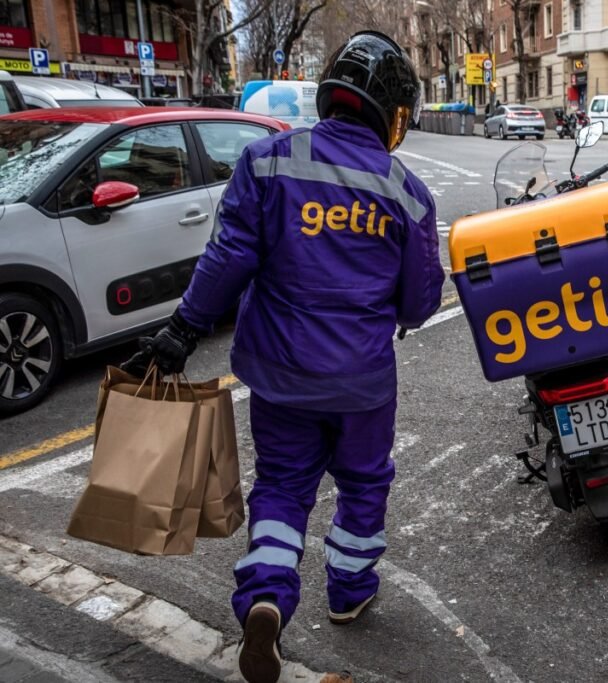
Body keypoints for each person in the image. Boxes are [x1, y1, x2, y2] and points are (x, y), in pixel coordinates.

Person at [122, 31, 444, 683]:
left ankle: (266, 596)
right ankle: (349, 590)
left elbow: (228, 257)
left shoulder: (267, 162)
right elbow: (418, 304)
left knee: (283, 486)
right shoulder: (407, 193)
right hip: (361, 384)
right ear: (392, 112)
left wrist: (181, 331)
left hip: (279, 375)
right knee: (364, 484)